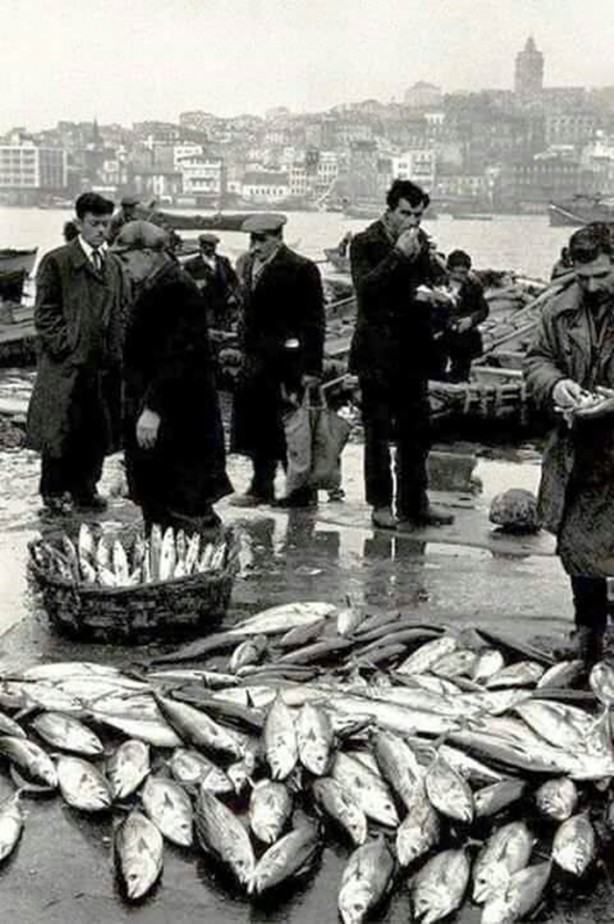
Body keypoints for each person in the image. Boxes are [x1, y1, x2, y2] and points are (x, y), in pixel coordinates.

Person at [524, 222, 614, 665]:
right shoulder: (560, 310)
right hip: (579, 446)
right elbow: (537, 359)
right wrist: (556, 385)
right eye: (584, 277)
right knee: (578, 546)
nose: (593, 286)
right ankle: (588, 633)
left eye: (602, 275)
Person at [113, 220, 232, 533]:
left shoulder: (175, 289)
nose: (123, 268)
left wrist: (153, 408)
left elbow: (179, 356)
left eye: (126, 260)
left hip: (177, 415)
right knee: (161, 498)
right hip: (167, 410)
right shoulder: (158, 284)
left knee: (183, 501)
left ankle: (199, 567)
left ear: (148, 254)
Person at [349, 178, 455, 531]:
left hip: (412, 350)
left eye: (419, 215)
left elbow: (427, 283)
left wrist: (438, 287)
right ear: (390, 211)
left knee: (416, 431)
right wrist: (398, 256)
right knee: (377, 432)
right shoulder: (366, 242)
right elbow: (367, 292)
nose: (412, 222)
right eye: (406, 213)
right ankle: (380, 503)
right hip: (377, 353)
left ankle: (415, 501)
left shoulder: (420, 241)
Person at [26, 192, 125, 515]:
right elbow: (44, 314)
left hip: (101, 365)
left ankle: (85, 489)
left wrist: (115, 352)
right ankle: (53, 491)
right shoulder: (58, 261)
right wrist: (65, 347)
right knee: (60, 430)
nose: (101, 230)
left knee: (95, 431)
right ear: (79, 223)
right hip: (66, 365)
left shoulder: (112, 265)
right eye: (95, 224)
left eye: (106, 224)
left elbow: (120, 311)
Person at [230, 213, 325, 508]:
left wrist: (312, 368)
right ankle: (261, 486)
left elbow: (314, 322)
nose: (255, 246)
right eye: (252, 239)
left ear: (278, 237)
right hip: (256, 361)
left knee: (290, 427)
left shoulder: (301, 269)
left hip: (287, 363)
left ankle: (301, 490)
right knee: (258, 426)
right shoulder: (248, 265)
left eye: (261, 239)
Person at [438, 249, 490, 382]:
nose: (461, 277)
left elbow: (483, 310)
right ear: (449, 271)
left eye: (464, 273)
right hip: (442, 336)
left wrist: (471, 320)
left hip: (465, 338)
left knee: (462, 369)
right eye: (458, 273)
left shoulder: (473, 287)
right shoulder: (438, 285)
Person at [183, 232, 240, 330]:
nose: (210, 249)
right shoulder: (191, 264)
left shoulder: (223, 261)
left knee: (224, 333)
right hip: (204, 307)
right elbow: (186, 287)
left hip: (223, 306)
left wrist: (233, 295)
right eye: (206, 246)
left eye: (212, 246)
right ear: (201, 246)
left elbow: (234, 280)